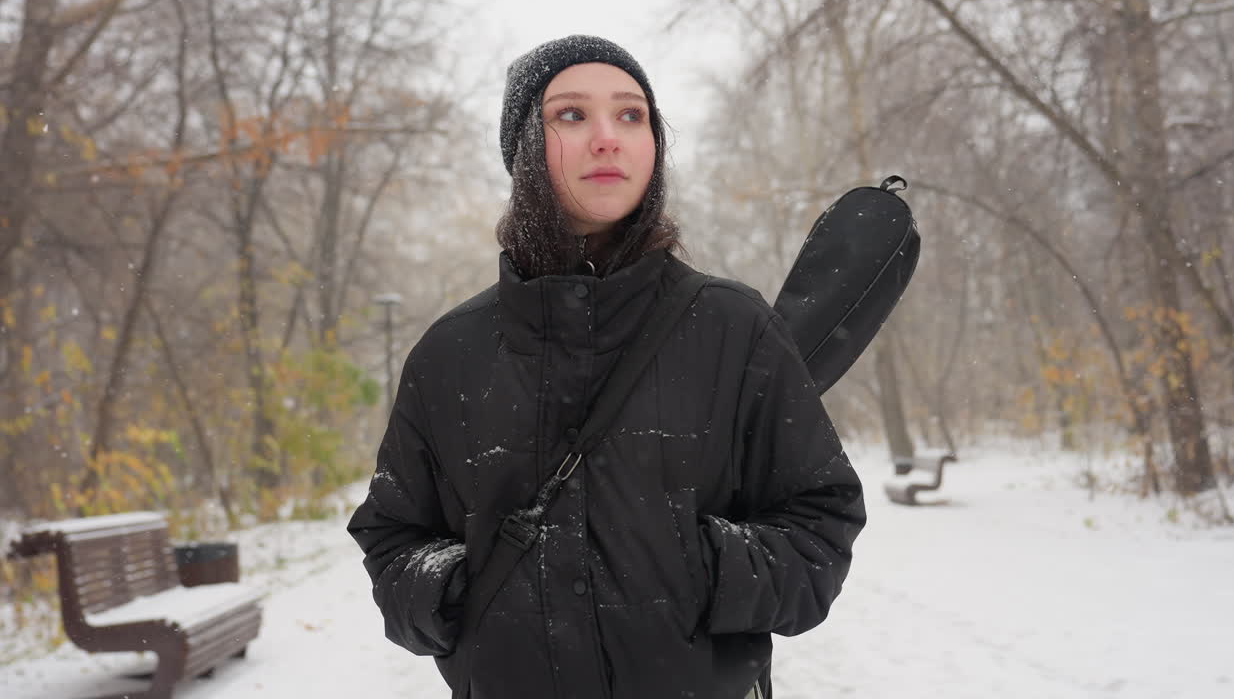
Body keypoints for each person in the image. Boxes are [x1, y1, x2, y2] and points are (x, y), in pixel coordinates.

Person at [348, 35, 866, 699]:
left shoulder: (734, 328)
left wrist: (703, 570)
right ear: (523, 151)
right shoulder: (450, 354)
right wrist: (449, 595)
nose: (607, 138)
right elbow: (392, 532)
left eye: (631, 115)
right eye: (570, 115)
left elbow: (821, 517)